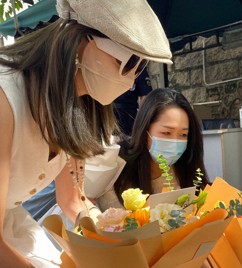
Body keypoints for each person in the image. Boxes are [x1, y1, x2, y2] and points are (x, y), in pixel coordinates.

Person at [0, 0, 172, 266]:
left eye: (138, 71)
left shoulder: (75, 104)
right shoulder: (6, 99)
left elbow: (73, 200)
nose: (128, 83)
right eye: (124, 64)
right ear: (80, 40)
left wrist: (114, 234)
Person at [96, 88, 210, 211]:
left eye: (183, 135)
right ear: (145, 130)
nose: (175, 142)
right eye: (166, 133)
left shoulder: (187, 170)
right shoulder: (116, 167)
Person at [114, 67, 153, 136]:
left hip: (129, 119)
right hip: (106, 116)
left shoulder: (138, 66)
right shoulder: (104, 62)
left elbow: (146, 100)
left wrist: (142, 125)